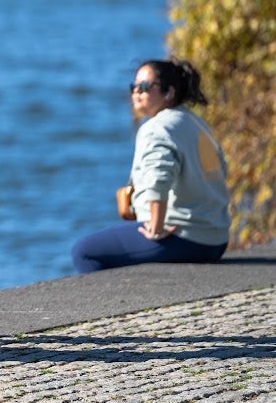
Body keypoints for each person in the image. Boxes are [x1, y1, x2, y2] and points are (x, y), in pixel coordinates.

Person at [71, 58, 231, 273]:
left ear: (169, 93)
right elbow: (221, 171)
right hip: (216, 240)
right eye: (134, 86)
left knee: (83, 251)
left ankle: (110, 305)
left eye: (145, 87)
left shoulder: (157, 128)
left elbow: (158, 179)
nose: (136, 92)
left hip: (184, 238)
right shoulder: (195, 123)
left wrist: (156, 228)